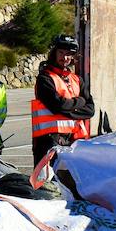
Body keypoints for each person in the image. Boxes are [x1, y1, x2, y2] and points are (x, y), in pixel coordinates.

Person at [31, 34, 94, 165]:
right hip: (48, 141)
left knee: (71, 182)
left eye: (69, 54)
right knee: (47, 183)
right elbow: (57, 106)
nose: (64, 58)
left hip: (74, 141)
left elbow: (90, 110)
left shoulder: (76, 79)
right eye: (61, 52)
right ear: (54, 53)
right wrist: (80, 101)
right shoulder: (45, 79)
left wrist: (67, 108)